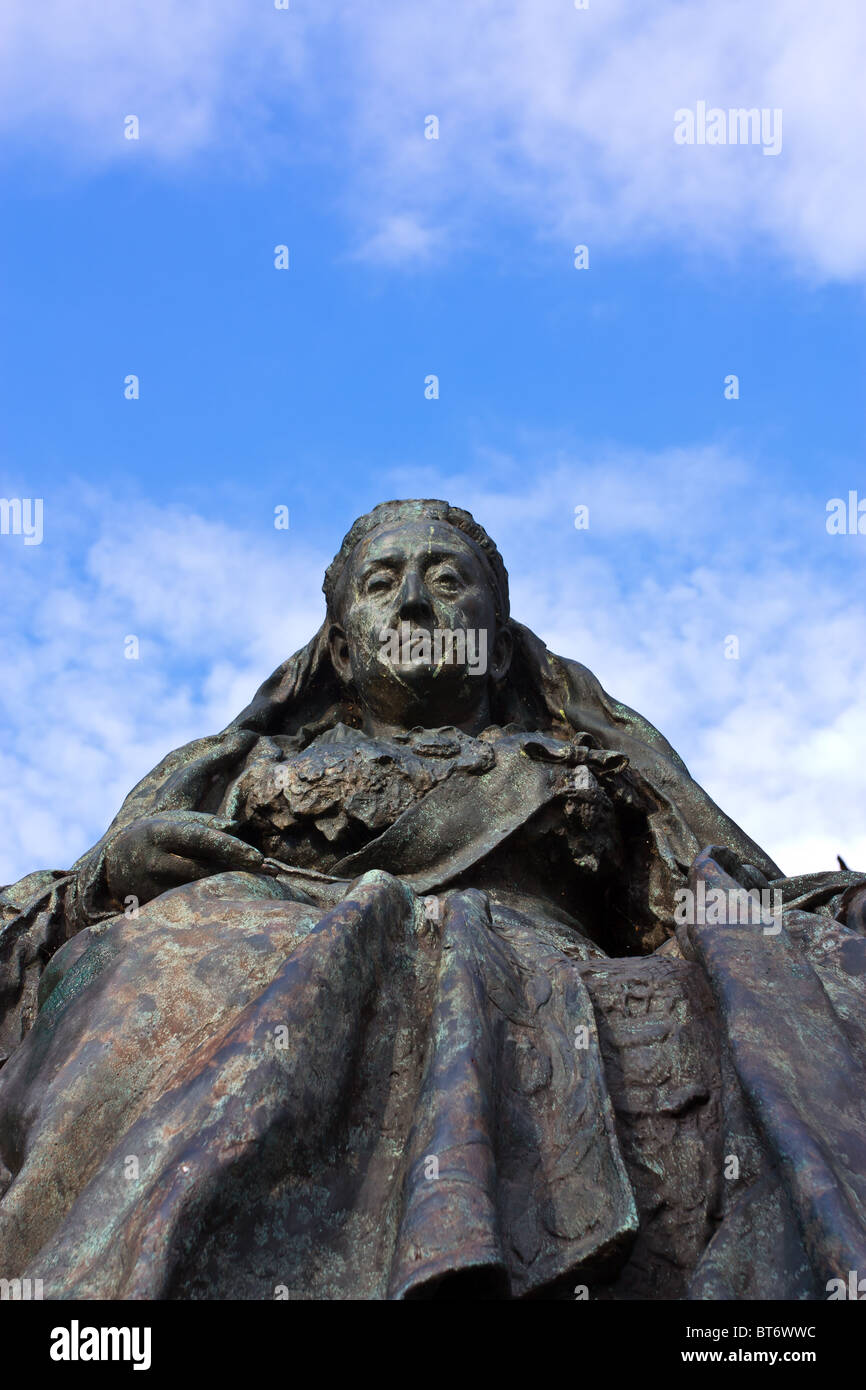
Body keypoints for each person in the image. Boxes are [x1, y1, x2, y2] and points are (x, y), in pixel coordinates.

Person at [1, 498, 865, 1300]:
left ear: (497, 629)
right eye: (382, 584)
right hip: (266, 934)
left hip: (539, 963)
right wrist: (115, 872)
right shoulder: (239, 773)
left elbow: (709, 892)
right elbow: (59, 906)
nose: (414, 603)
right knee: (160, 959)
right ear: (341, 646)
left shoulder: (582, 773)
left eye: (448, 580)